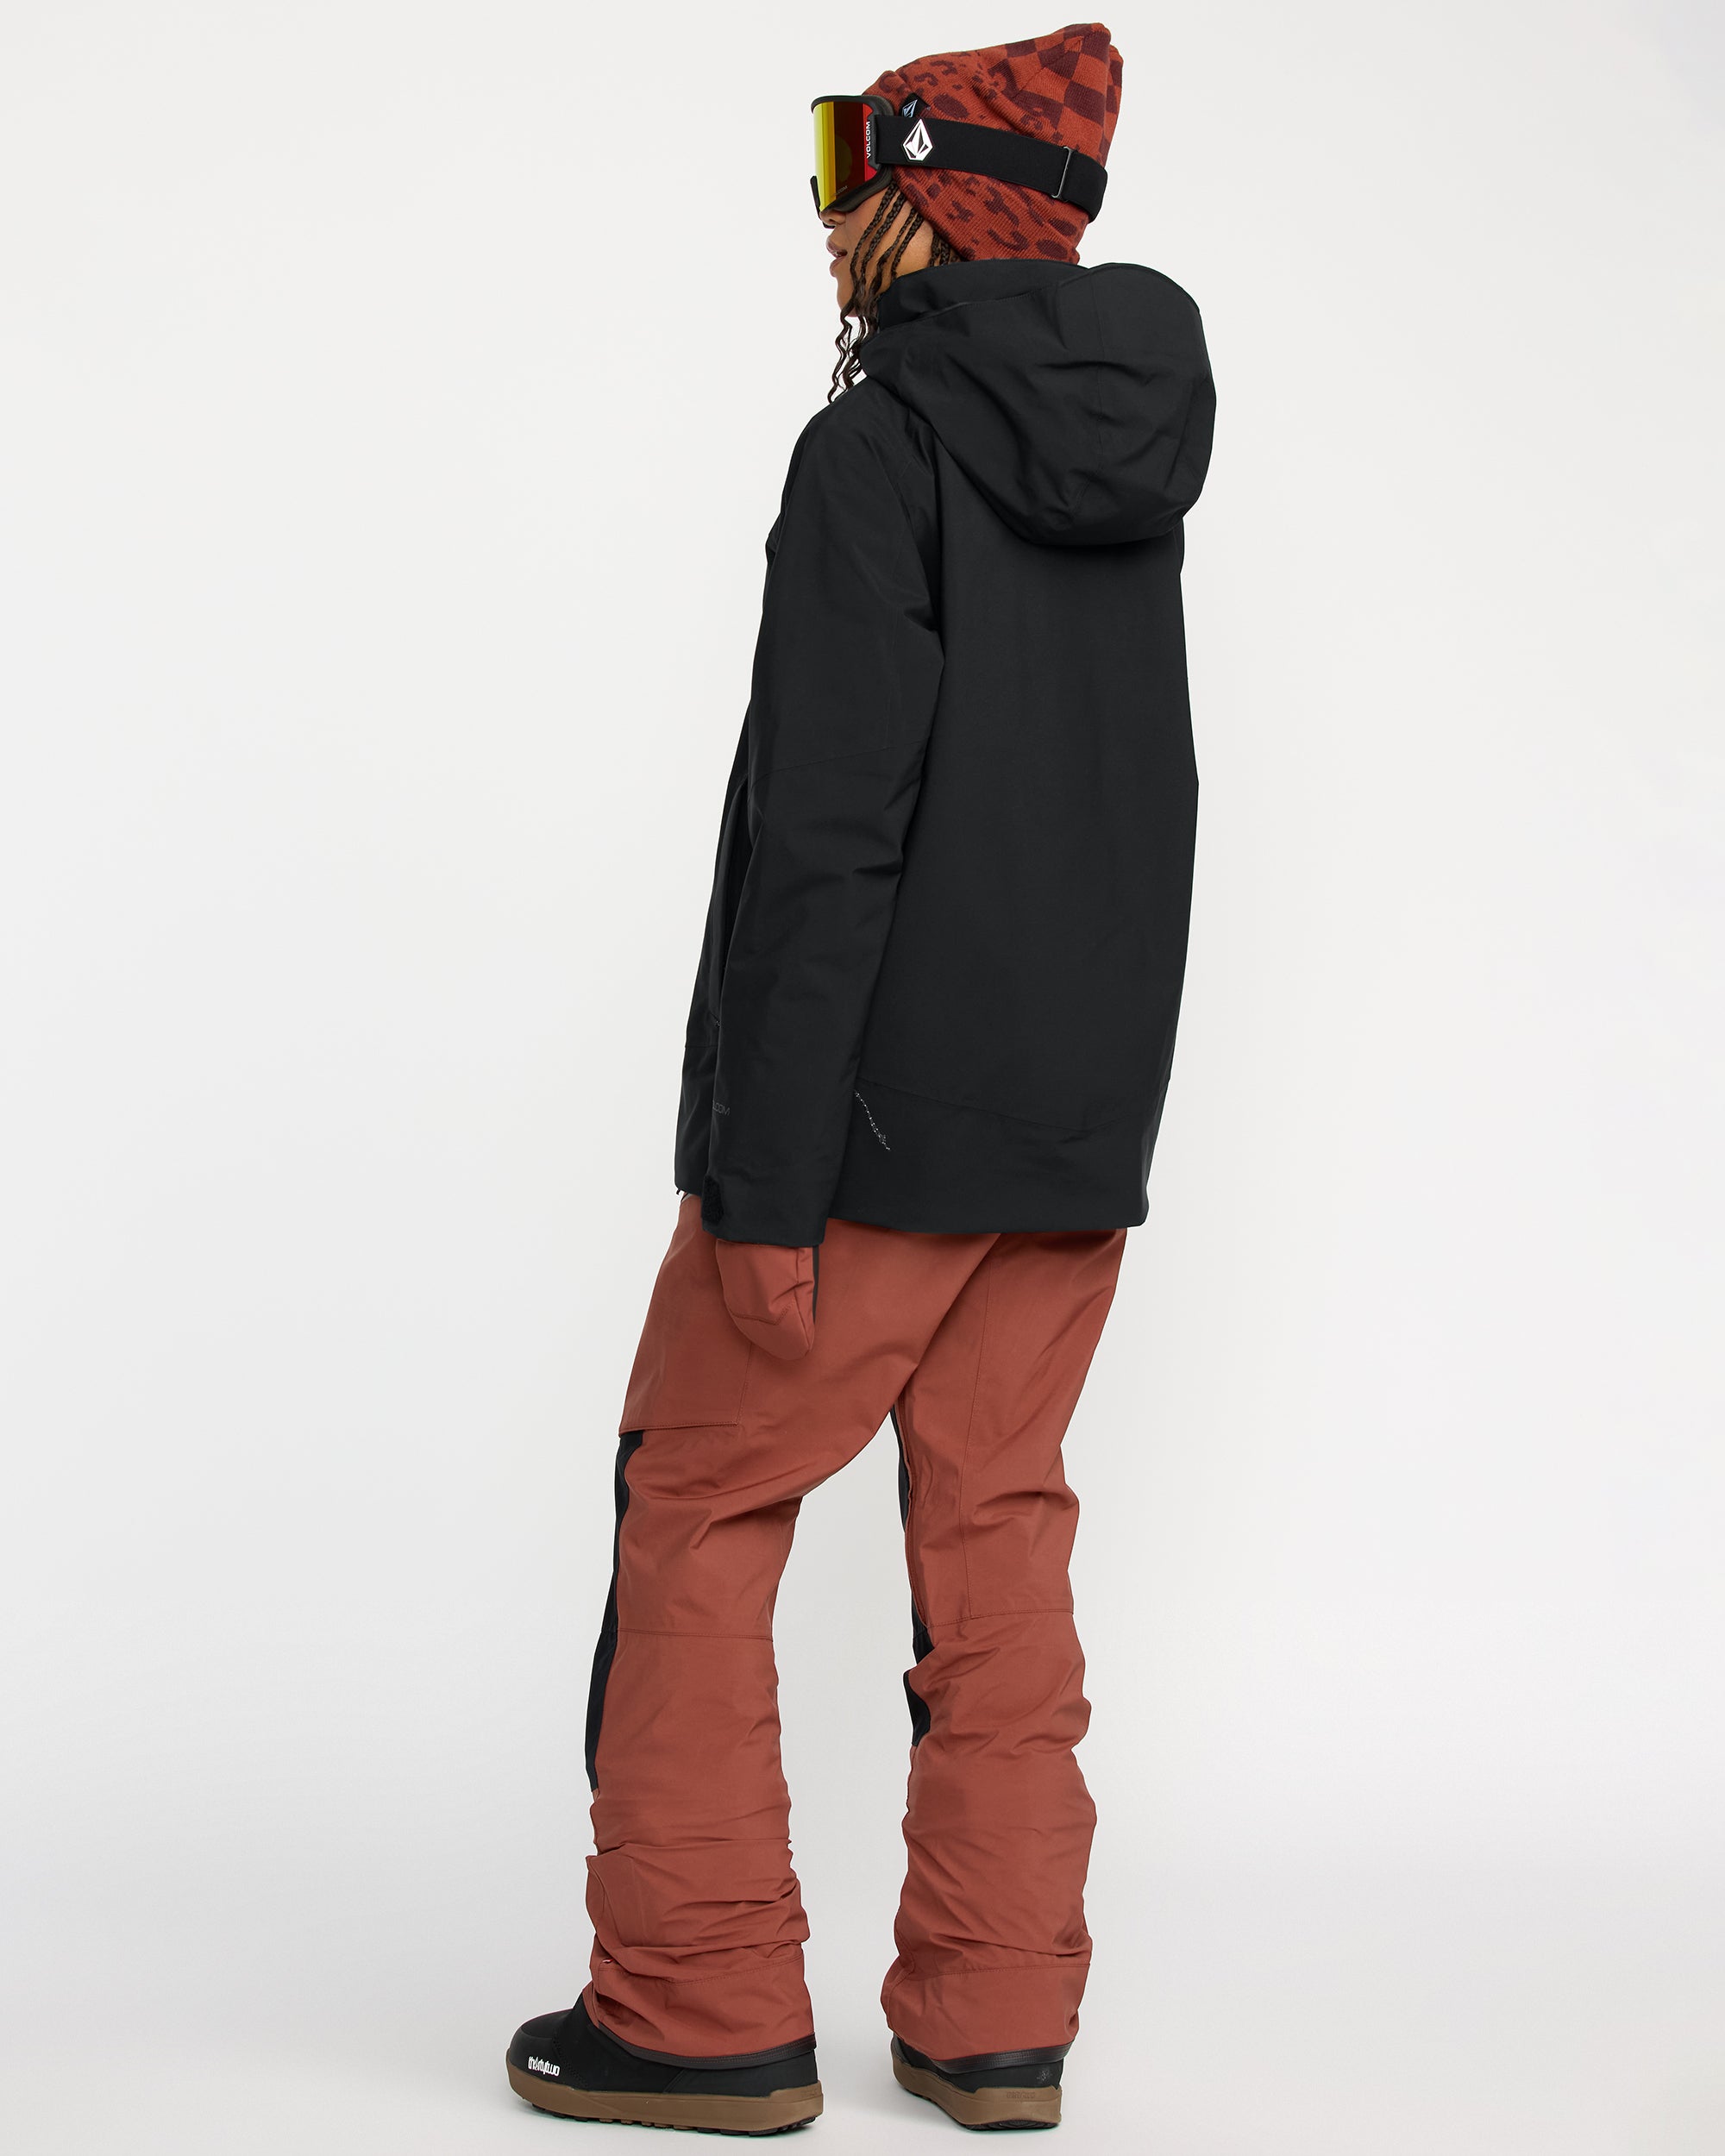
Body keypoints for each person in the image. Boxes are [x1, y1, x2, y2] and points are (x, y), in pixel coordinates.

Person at [506, 23, 1214, 2135]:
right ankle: (995, 2019)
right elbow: (1132, 803)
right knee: (996, 1532)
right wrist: (1090, 1121)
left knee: (696, 1501)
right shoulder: (1130, 452)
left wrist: (761, 1180)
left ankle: (696, 2008)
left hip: (868, 1136)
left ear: (926, 185)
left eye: (846, 158)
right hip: (1067, 1137)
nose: (820, 206)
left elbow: (828, 842)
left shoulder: (879, 447)